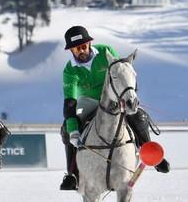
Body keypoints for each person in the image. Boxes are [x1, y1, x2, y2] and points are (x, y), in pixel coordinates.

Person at [59, 25, 170, 190]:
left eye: (83, 46)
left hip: (114, 97)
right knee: (66, 130)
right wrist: (74, 131)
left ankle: (152, 155)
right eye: (76, 49)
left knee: (138, 116)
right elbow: (70, 102)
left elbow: (123, 72)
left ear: (89, 44)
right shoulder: (69, 70)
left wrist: (127, 97)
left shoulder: (106, 52)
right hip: (88, 102)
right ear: (71, 51)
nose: (81, 51)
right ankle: (72, 175)